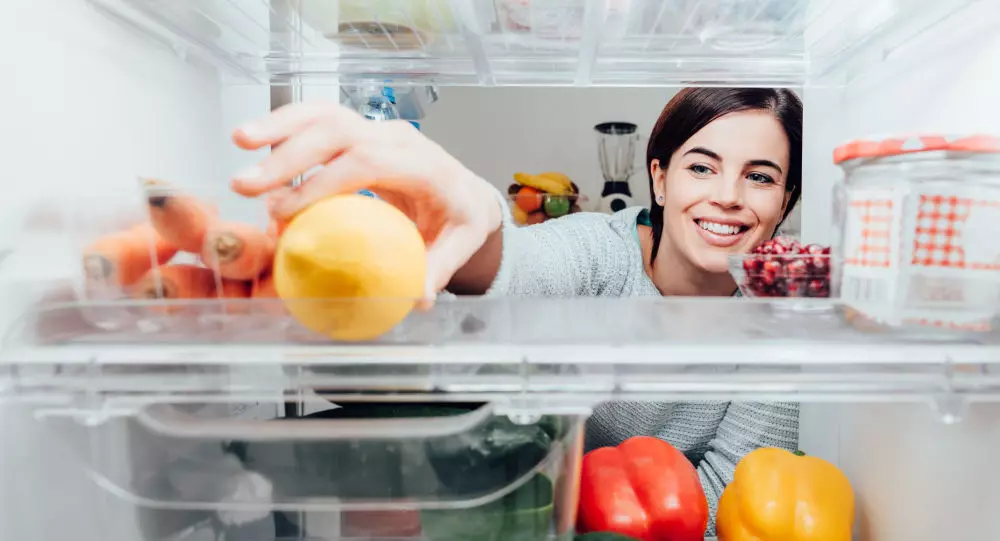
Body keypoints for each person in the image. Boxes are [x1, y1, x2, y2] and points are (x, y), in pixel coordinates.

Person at [230, 87, 802, 534]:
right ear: (658, 177)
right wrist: (473, 220)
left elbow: (735, 498)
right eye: (701, 167)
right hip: (523, 505)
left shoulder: (779, 319)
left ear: (785, 204)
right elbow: (520, 269)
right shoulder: (600, 249)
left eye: (759, 177)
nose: (728, 194)